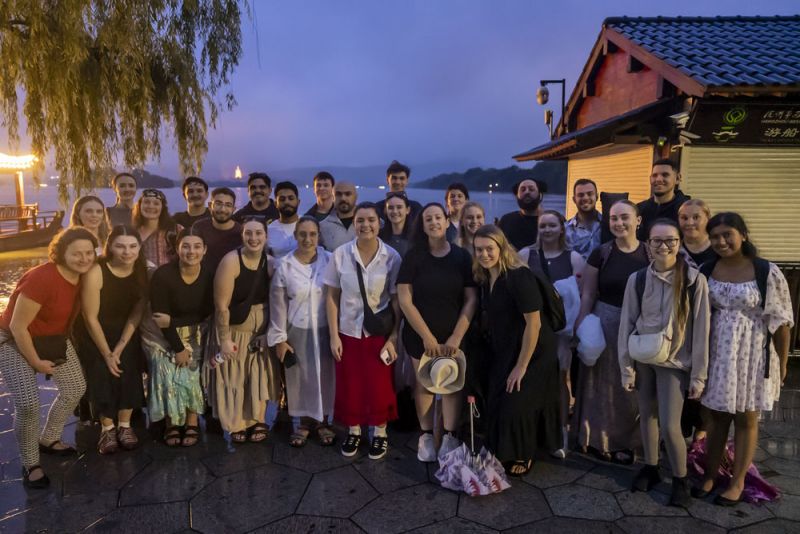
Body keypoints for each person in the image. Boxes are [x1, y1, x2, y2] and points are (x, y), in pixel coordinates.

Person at [693, 213, 793, 506]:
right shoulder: (707, 269)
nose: (721, 242)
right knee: (715, 417)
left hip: (752, 353)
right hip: (717, 353)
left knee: (747, 418)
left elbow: (782, 321)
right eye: (715, 237)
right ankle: (711, 474)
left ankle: (737, 482)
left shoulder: (766, 271)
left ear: (743, 235)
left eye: (728, 235)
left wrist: (783, 362)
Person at [618, 219, 710, 508]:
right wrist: (626, 367)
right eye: (656, 240)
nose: (663, 246)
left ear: (679, 243)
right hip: (644, 356)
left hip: (675, 362)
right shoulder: (638, 279)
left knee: (671, 425)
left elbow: (701, 331)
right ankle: (651, 466)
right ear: (648, 244)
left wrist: (699, 376)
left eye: (670, 240)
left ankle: (680, 479)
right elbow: (627, 323)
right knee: (646, 417)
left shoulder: (695, 281)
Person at [0, 228, 96, 488]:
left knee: (75, 388)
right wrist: (35, 363)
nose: (84, 258)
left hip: (53, 339)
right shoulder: (42, 278)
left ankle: (49, 438)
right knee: (29, 404)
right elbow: (18, 327)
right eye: (77, 253)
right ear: (60, 252)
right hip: (11, 340)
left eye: (89, 253)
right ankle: (31, 463)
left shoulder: (84, 277)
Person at [472, 225, 559, 476]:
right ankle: (505, 448)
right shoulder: (488, 276)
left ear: (502, 248)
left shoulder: (518, 275)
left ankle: (524, 452)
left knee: (518, 400)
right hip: (508, 346)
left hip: (534, 349)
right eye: (479, 249)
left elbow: (534, 323)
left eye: (490, 248)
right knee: (501, 398)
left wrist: (521, 366)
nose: (485, 254)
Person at [398, 203, 477, 462]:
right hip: (420, 333)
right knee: (424, 384)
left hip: (454, 333)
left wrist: (456, 336)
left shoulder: (462, 257)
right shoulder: (413, 257)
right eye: (428, 219)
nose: (433, 222)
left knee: (452, 385)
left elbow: (471, 299)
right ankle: (426, 436)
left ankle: (451, 437)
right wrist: (427, 337)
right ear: (422, 226)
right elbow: (405, 299)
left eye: (438, 218)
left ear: (447, 222)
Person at [324, 202, 402, 460]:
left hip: (378, 333)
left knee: (379, 385)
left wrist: (393, 338)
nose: (365, 225)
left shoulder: (391, 257)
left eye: (371, 220)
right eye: (360, 220)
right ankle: (354, 430)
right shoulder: (340, 254)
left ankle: (380, 433)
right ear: (354, 223)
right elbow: (332, 296)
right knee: (351, 384)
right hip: (347, 330)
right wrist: (334, 335)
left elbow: (396, 302)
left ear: (380, 223)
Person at [574, 200, 649, 464]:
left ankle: (628, 442)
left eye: (625, 217)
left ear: (638, 221)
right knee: (598, 386)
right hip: (605, 322)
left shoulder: (650, 254)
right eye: (614, 218)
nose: (619, 223)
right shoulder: (601, 253)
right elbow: (588, 293)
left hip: (640, 326)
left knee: (631, 388)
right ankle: (595, 439)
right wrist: (580, 324)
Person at [520, 210, 585, 458]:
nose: (547, 230)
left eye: (552, 225)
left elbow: (581, 295)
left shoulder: (574, 258)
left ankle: (560, 432)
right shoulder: (526, 255)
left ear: (561, 228)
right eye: (542, 226)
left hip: (560, 331)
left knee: (560, 380)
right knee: (531, 379)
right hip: (532, 329)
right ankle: (533, 430)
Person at [77, 225, 148, 454]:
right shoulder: (97, 270)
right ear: (110, 247)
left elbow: (138, 310)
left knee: (128, 367)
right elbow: (89, 317)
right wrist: (108, 353)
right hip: (95, 328)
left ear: (139, 248)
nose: (127, 252)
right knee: (102, 370)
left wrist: (120, 346)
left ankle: (125, 425)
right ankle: (107, 428)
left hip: (125, 329)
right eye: (120, 246)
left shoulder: (141, 269)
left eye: (132, 246)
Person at [269, 217, 337, 447]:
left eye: (313, 234)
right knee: (301, 378)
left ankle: (324, 422)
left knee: (326, 376)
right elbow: (278, 305)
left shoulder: (329, 260)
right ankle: (304, 423)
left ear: (319, 235)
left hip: (326, 328)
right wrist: (280, 338)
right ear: (296, 236)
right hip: (296, 328)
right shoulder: (285, 265)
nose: (308, 239)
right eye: (302, 234)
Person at [144, 228, 214, 447]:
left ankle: (192, 420)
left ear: (204, 250)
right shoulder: (163, 275)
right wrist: (178, 348)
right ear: (177, 249)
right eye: (186, 246)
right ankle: (172, 422)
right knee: (165, 368)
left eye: (196, 247)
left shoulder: (209, 275)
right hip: (162, 335)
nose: (191, 251)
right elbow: (160, 318)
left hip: (195, 331)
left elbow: (206, 312)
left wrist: (174, 323)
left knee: (191, 371)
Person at [209, 218, 273, 444]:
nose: (254, 238)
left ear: (266, 236)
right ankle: (237, 422)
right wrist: (224, 338)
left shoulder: (271, 263)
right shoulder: (231, 261)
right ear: (242, 235)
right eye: (249, 233)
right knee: (234, 376)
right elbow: (221, 305)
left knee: (259, 374)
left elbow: (278, 301)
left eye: (259, 233)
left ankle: (259, 419)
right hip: (235, 328)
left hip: (261, 328)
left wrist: (271, 332)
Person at [636, 159, 691, 241]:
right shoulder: (639, 209)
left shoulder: (688, 210)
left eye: (665, 175)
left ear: (678, 179)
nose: (658, 179)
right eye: (654, 175)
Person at [192, 187, 243, 272]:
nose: (223, 209)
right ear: (209, 206)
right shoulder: (199, 227)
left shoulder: (241, 232)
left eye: (228, 205)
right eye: (218, 204)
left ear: (233, 209)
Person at [133, 189, 180, 268]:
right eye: (147, 202)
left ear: (162, 208)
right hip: (139, 278)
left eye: (156, 203)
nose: (151, 206)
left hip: (166, 278)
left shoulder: (175, 230)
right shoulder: (132, 232)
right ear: (139, 205)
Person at [498, 178, 545, 250]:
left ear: (540, 195)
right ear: (517, 195)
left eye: (531, 189)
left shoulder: (553, 221)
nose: (527, 192)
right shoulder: (506, 220)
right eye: (523, 190)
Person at [565, 178, 602, 259]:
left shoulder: (609, 226)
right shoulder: (565, 230)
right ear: (574, 199)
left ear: (597, 196)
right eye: (580, 195)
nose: (585, 198)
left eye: (590, 194)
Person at [319, 182, 357, 252]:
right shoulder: (322, 227)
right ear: (333, 197)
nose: (343, 198)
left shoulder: (368, 224)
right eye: (338, 194)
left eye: (348, 194)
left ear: (356, 197)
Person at [679, 199, 717, 268]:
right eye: (684, 218)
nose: (690, 223)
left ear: (708, 218)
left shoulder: (719, 247)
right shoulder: (673, 249)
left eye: (696, 217)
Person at [267, 181, 300, 258]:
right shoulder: (269, 230)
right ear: (275, 204)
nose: (287, 202)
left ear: (298, 202)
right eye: (282, 199)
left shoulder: (308, 225)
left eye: (291, 198)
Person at [378, 192, 412, 257]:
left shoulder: (416, 237)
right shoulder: (379, 238)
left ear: (407, 210)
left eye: (399, 207)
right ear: (385, 210)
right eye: (390, 208)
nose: (395, 211)